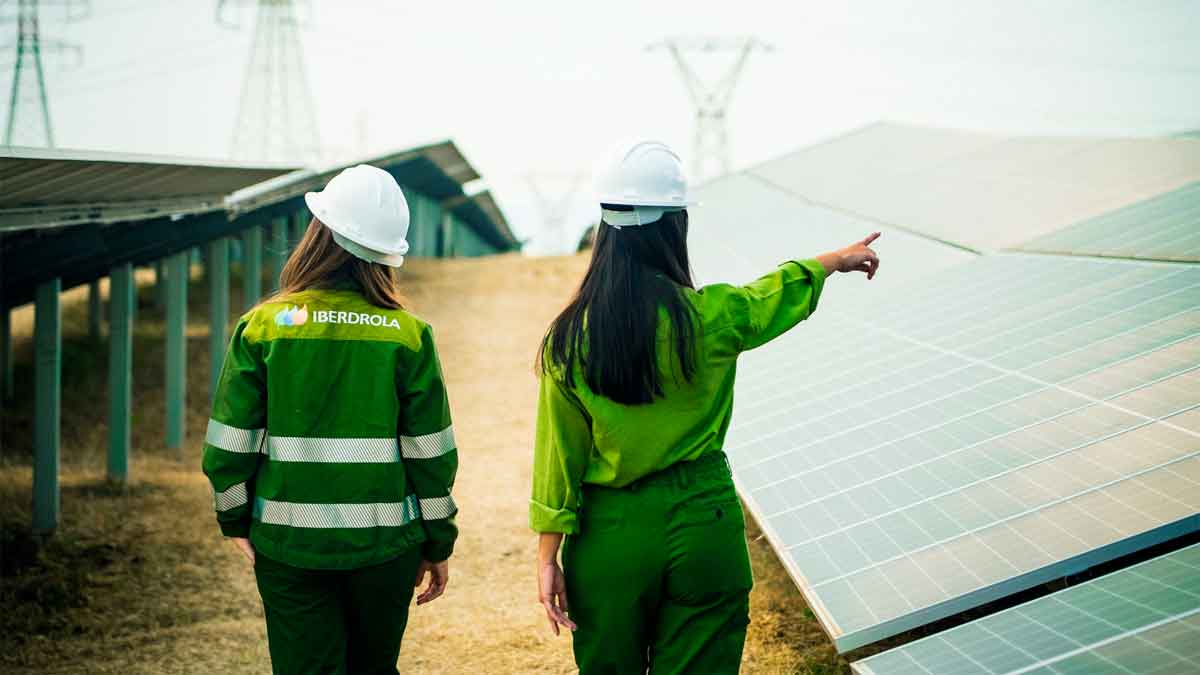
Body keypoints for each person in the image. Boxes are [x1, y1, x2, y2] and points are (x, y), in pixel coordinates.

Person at [530, 140, 881, 673]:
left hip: (610, 538)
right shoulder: (714, 316)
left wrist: (547, 556)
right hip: (704, 525)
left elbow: (559, 459)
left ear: (605, 232)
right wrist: (832, 262)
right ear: (675, 228)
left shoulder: (568, 340)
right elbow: (768, 294)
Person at [202, 164, 459, 675]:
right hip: (387, 547)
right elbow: (431, 453)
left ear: (318, 234)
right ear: (386, 256)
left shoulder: (264, 327)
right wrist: (436, 540)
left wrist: (236, 517)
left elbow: (229, 448)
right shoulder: (407, 334)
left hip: (289, 546)